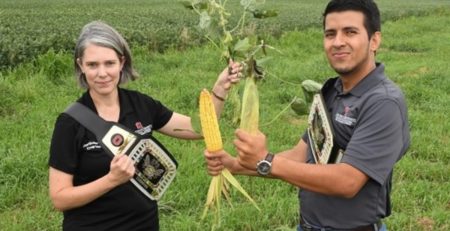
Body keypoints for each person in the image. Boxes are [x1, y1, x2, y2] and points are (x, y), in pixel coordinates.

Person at [204, 0, 410, 230]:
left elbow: (348, 181)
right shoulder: (331, 90)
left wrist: (266, 161)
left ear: (374, 40)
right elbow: (301, 154)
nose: (338, 42)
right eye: (330, 34)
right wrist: (234, 165)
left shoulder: (383, 102)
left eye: (350, 32)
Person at [48, 20, 241, 231]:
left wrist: (220, 89)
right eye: (92, 64)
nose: (102, 73)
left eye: (109, 63)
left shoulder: (141, 105)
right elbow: (60, 198)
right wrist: (111, 180)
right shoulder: (70, 123)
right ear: (80, 66)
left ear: (122, 62)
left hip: (144, 224)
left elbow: (198, 129)